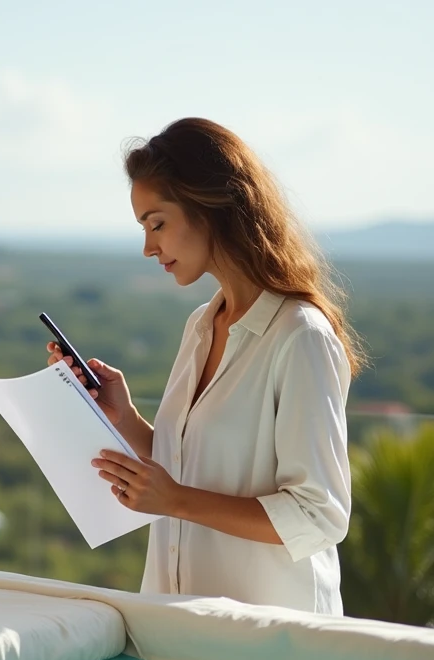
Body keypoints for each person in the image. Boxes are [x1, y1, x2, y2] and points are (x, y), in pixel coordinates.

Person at [47, 117, 364, 615]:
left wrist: (176, 501)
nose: (149, 247)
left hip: (269, 640)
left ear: (212, 207)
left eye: (158, 223)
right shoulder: (201, 326)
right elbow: (194, 470)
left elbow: (319, 515)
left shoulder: (300, 336)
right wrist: (124, 419)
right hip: (179, 623)